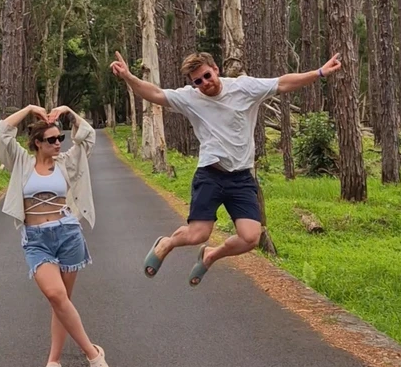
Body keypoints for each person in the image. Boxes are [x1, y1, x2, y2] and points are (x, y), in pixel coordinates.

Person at [110, 49, 342, 285]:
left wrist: (319, 72)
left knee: (250, 237)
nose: (204, 83)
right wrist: (129, 77)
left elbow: (282, 83)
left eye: (207, 76)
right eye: (198, 81)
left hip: (241, 178)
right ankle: (166, 243)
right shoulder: (191, 98)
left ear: (216, 69)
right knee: (198, 234)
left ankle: (211, 255)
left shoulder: (244, 88)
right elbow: (156, 93)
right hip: (211, 174)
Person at [0, 102, 112, 367]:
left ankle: (53, 361)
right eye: (51, 140)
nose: (58, 143)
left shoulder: (67, 161)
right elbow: (0, 133)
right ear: (36, 143)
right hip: (36, 239)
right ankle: (93, 353)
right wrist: (30, 108)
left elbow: (88, 135)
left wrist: (68, 111)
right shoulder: (20, 161)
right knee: (56, 296)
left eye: (60, 138)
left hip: (68, 233)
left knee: (62, 302)